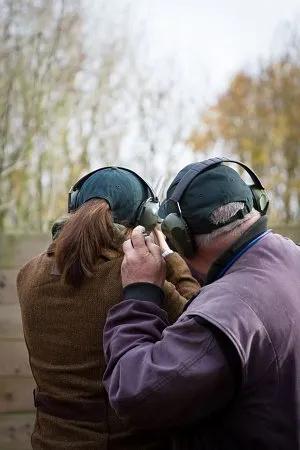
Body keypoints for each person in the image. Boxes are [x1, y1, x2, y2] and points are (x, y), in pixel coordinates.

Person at [103, 158, 300, 450]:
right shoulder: (290, 256)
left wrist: (141, 294)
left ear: (182, 239)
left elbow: (135, 394)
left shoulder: (226, 315)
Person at [17, 167, 200, 450]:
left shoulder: (27, 274)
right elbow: (198, 320)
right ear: (145, 219)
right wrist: (168, 255)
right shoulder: (138, 282)